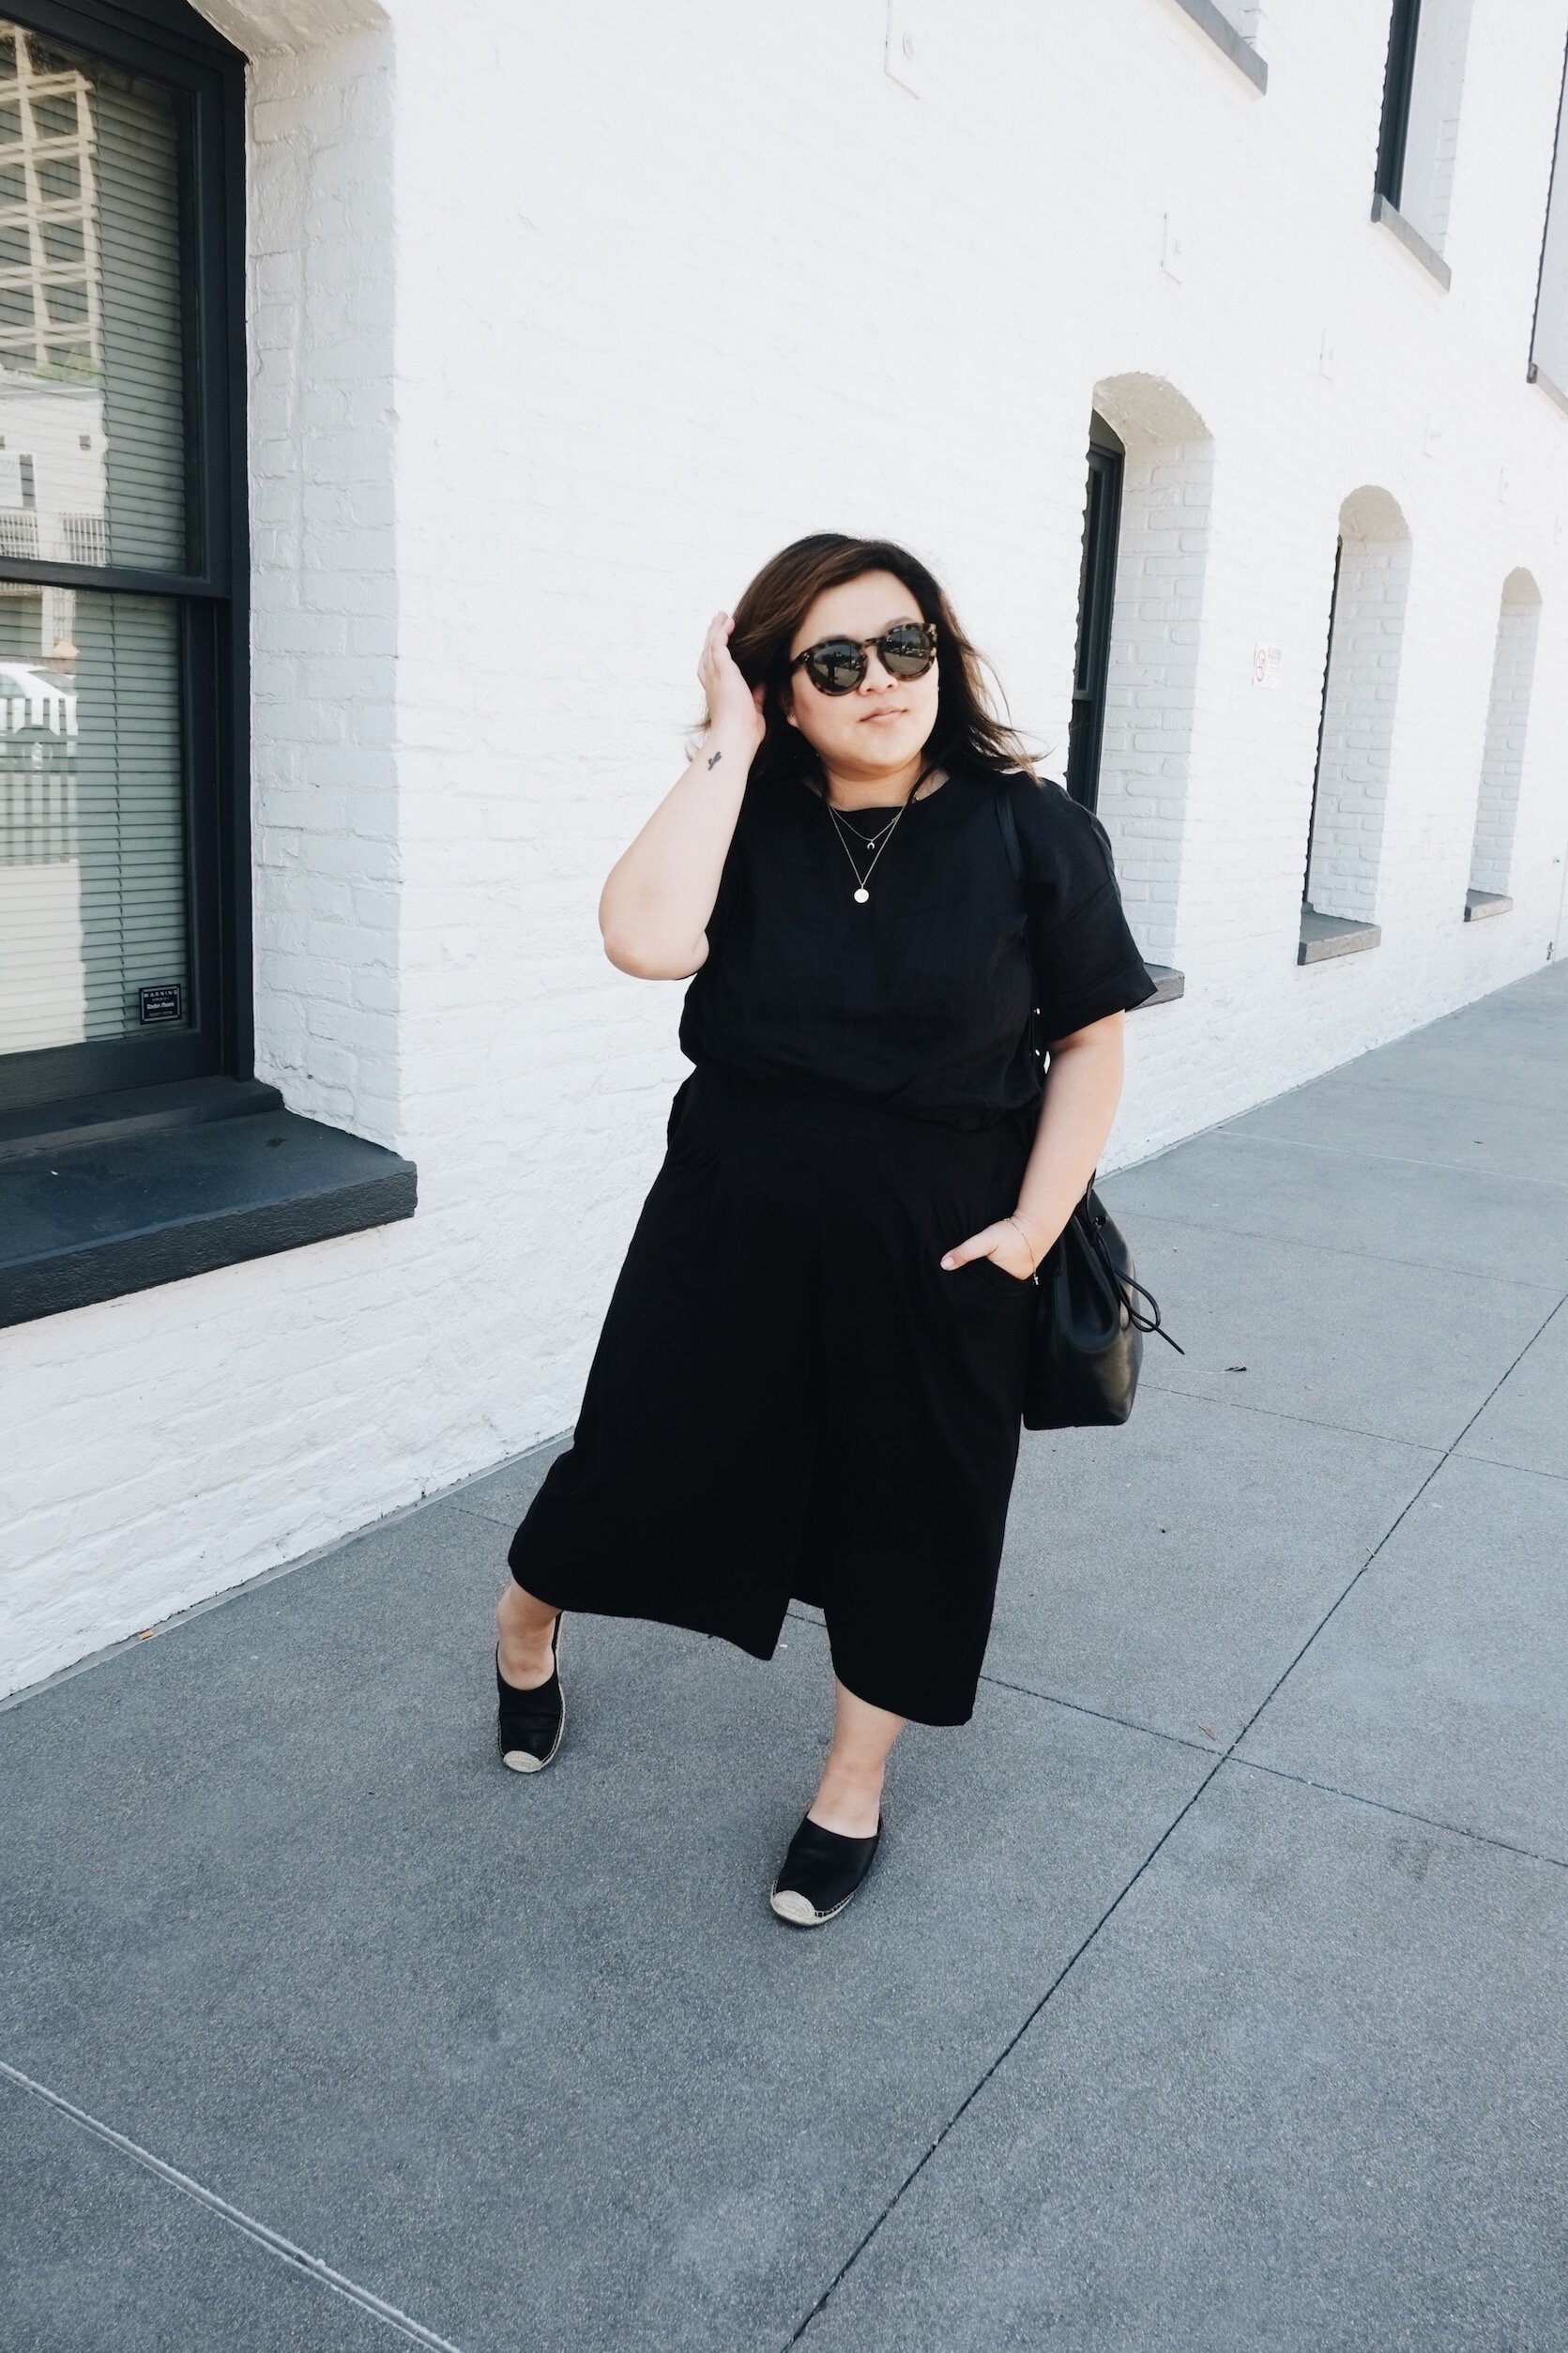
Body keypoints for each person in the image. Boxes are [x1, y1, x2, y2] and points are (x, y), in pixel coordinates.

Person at [495, 533, 1156, 1927]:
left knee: (915, 1517)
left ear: (944, 654)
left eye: (904, 645)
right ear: (782, 690)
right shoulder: (745, 813)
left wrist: (1033, 1230)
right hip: (731, 1220)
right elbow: (643, 941)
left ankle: (851, 1786)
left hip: (944, 1245)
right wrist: (725, 745)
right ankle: (527, 1618)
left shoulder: (1032, 830)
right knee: (643, 1457)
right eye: (834, 662)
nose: (879, 682)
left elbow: (1091, 1040)